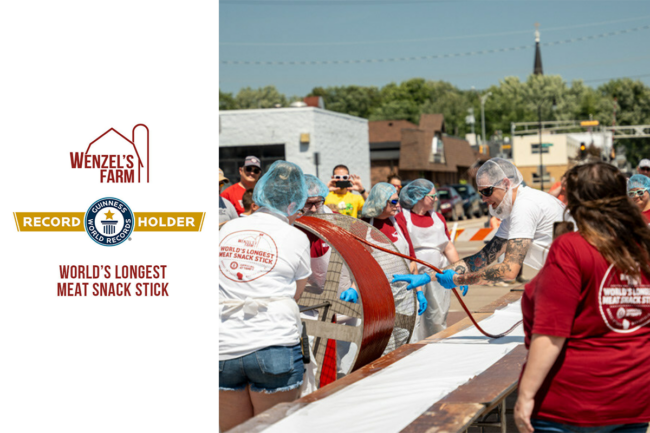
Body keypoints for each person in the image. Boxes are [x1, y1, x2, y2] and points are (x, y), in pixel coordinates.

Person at [514, 162, 650, 433]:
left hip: (571, 404)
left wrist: (526, 395)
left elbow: (552, 332)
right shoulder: (642, 245)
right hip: (633, 399)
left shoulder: (571, 247)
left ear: (575, 201)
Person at [218, 161, 311, 432]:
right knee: (274, 428)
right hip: (274, 344)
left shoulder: (226, 230)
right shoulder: (296, 237)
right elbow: (296, 292)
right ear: (294, 203)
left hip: (223, 345)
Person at [391, 158, 565, 293]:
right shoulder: (515, 209)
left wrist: (459, 279)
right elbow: (482, 258)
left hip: (578, 278)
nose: (483, 199)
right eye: (480, 193)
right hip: (568, 275)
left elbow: (509, 270)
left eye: (487, 191)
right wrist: (428, 277)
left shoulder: (524, 206)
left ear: (506, 184)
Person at [340, 183, 426, 314]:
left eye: (398, 201)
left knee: (409, 334)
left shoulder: (399, 222)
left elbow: (411, 260)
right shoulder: (361, 227)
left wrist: (419, 291)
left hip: (405, 295)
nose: (398, 205)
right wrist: (354, 289)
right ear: (380, 201)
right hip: (376, 297)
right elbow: (360, 267)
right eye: (394, 201)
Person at [394, 179, 460, 339]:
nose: (436, 199)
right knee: (414, 320)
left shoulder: (438, 218)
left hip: (438, 278)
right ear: (419, 196)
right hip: (413, 279)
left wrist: (459, 271)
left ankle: (438, 350)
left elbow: (448, 247)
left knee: (437, 319)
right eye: (433, 196)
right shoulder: (403, 218)